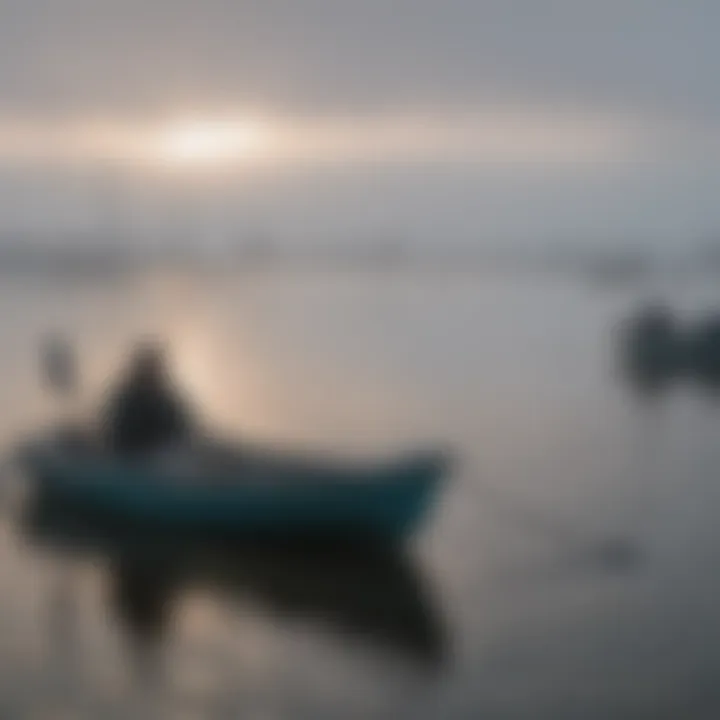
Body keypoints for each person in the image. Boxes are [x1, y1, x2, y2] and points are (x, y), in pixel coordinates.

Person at [102, 342, 194, 457]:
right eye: (145, 367)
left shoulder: (168, 404)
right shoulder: (125, 401)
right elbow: (112, 434)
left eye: (152, 368)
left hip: (162, 464)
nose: (148, 373)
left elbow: (181, 436)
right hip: (127, 462)